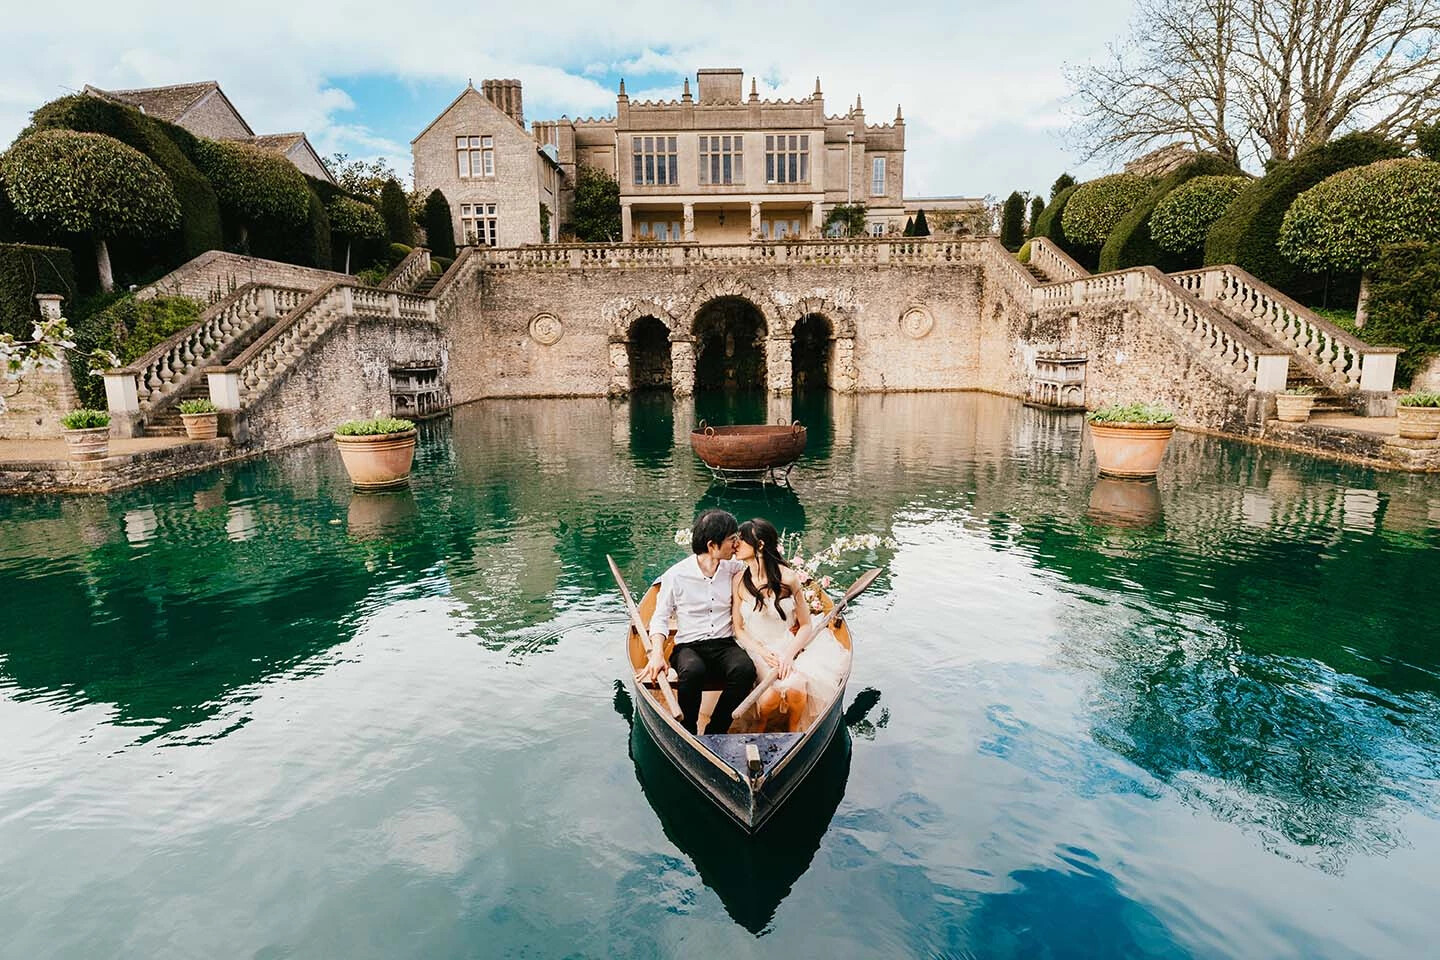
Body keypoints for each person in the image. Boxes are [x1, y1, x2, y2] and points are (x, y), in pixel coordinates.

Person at [639, 508, 758, 735]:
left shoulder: (735, 568)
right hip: (689, 645)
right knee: (693, 671)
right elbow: (660, 617)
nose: (736, 545)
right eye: (732, 540)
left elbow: (762, 572)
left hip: (724, 643)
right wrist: (656, 654)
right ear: (712, 545)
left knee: (745, 669)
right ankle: (688, 731)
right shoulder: (676, 575)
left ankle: (716, 730)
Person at [731, 518, 849, 732]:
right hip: (756, 647)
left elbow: (805, 625)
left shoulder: (789, 578)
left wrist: (788, 655)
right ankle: (761, 725)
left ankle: (794, 730)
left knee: (797, 690)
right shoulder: (739, 579)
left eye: (741, 540)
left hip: (788, 645)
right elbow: (738, 628)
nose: (736, 545)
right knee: (768, 699)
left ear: (759, 545)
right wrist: (762, 652)